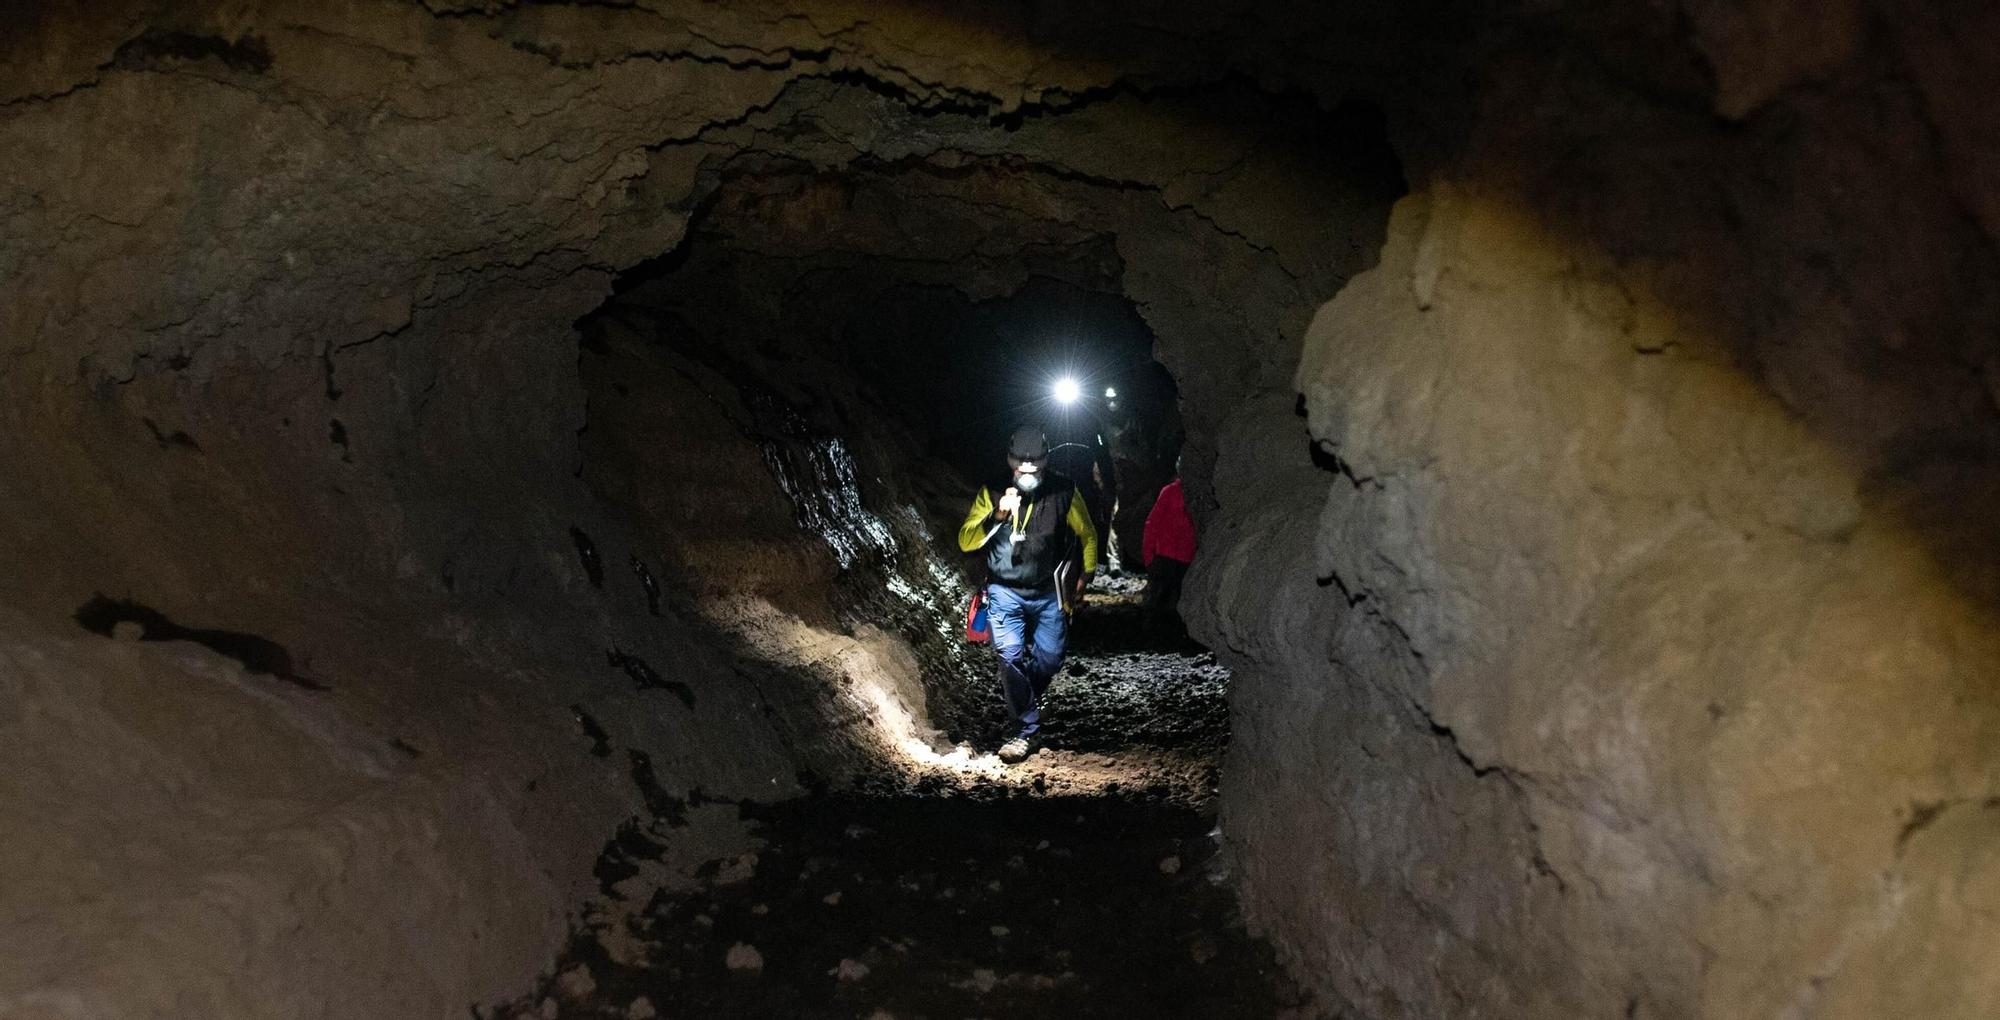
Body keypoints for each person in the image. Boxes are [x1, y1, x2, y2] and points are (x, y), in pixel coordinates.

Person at [958, 425, 1100, 763]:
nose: (1027, 473)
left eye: (1034, 467)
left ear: (1045, 461)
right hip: (1004, 591)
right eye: (1021, 467)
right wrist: (998, 515)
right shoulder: (991, 492)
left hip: (1048, 591)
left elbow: (1088, 534)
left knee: (1050, 658)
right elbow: (966, 541)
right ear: (1010, 462)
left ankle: (1026, 700)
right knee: (1010, 657)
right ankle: (1025, 730)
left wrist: (1087, 574)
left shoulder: (1064, 490)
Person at [1140, 467, 1195, 632]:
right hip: (1173, 556)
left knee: (1169, 599)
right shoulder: (1171, 492)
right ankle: (1160, 635)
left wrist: (1148, 554)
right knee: (1163, 599)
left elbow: (1151, 523)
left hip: (1177, 556)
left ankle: (1165, 634)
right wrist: (1149, 555)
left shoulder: (1173, 491)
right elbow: (1153, 523)